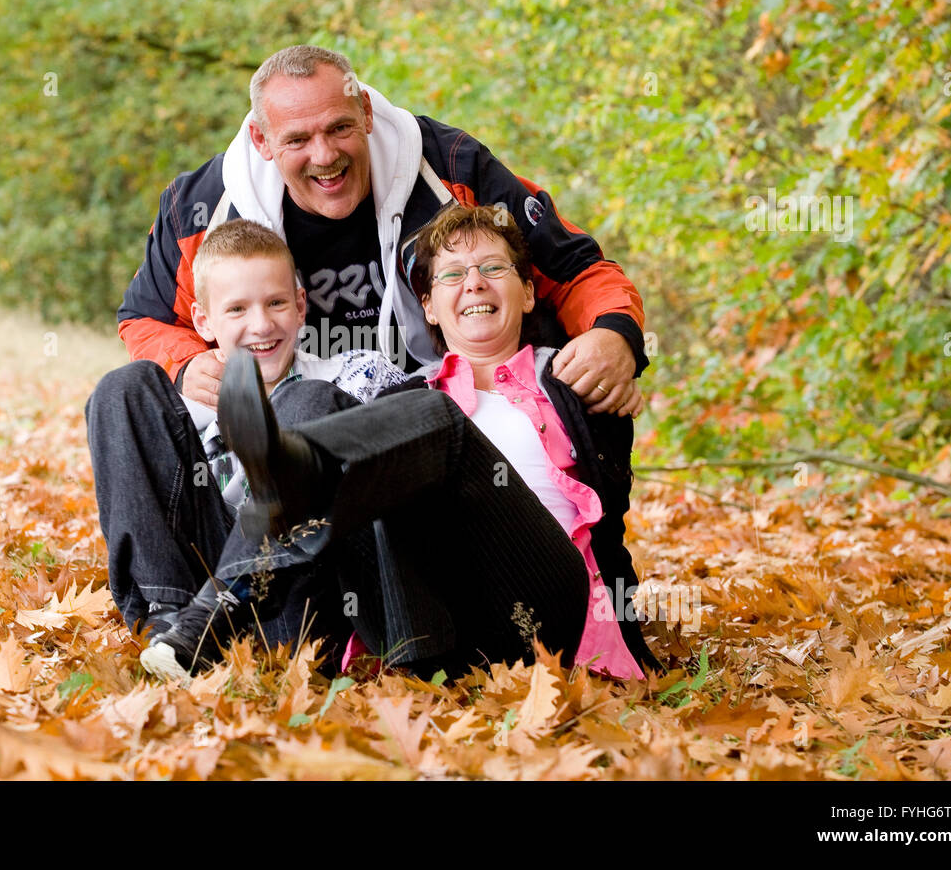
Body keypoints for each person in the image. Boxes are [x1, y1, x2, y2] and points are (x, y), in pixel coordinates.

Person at [139, 205, 661, 682]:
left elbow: (611, 445)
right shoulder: (403, 392)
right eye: (453, 275)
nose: (474, 284)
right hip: (433, 625)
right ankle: (213, 609)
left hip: (542, 606)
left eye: (493, 269)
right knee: (313, 406)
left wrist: (618, 374)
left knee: (433, 420)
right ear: (429, 306)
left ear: (527, 292)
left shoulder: (568, 378)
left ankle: (285, 477)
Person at [116, 44, 649, 413]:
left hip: (441, 408)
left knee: (587, 372)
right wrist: (185, 366)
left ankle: (590, 568)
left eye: (341, 128)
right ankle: (193, 578)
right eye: (297, 140)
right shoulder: (201, 207)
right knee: (128, 396)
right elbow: (145, 317)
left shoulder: (452, 167)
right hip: (278, 413)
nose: (325, 156)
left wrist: (615, 335)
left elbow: (575, 267)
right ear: (261, 141)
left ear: (366, 112)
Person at [85, 218, 404, 643]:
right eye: (237, 309)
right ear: (203, 321)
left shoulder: (356, 374)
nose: (261, 325)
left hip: (305, 598)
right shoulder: (174, 411)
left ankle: (229, 595)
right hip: (195, 594)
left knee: (306, 400)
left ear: (301, 305)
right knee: (122, 387)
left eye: (276, 303)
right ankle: (168, 620)